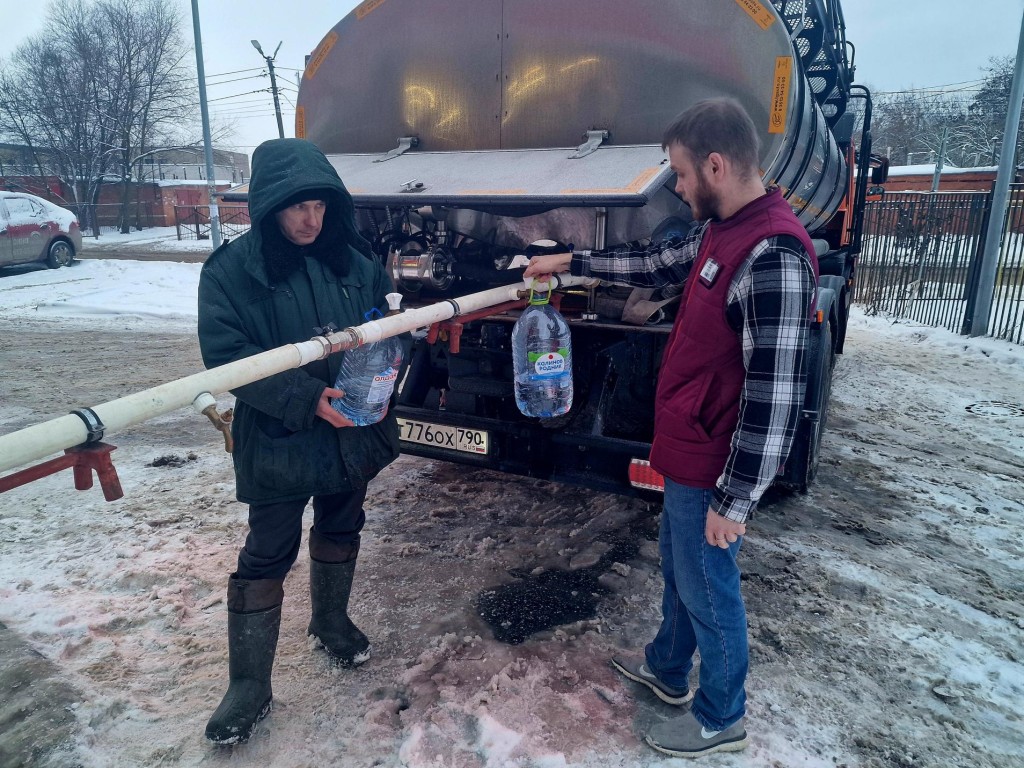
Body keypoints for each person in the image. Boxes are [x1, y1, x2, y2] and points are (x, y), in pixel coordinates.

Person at [524, 98, 818, 759]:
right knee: (682, 572)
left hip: (716, 464)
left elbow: (775, 397)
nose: (677, 188)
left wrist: (736, 499)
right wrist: (568, 262)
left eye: (682, 175)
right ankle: (666, 668)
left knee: (710, 589)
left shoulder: (773, 255)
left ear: (716, 165)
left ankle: (721, 717)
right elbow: (652, 264)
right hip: (689, 446)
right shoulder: (723, 229)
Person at [197, 138, 400, 744]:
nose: (311, 220)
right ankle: (249, 685)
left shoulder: (354, 261)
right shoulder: (232, 272)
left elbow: (390, 326)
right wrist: (305, 398)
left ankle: (331, 623)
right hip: (285, 436)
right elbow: (227, 358)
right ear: (268, 208)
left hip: (351, 436)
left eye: (319, 205)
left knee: (343, 526)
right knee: (266, 552)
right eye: (296, 207)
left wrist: (385, 374)